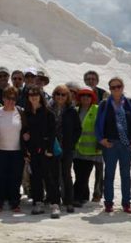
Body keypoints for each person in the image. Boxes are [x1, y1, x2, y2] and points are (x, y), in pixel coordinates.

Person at [95, 77, 131, 214]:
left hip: (126, 145)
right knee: (109, 175)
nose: (116, 89)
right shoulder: (104, 104)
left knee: (125, 174)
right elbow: (98, 124)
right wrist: (101, 139)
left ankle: (126, 203)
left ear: (123, 87)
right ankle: (108, 203)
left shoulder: (130, 103)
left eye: (118, 86)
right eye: (113, 87)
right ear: (109, 89)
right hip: (110, 144)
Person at [22, 86, 61, 218]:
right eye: (31, 94)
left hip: (45, 150)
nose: (33, 96)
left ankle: (55, 204)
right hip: (33, 150)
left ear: (40, 96)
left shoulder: (48, 113)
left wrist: (49, 149)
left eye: (36, 94)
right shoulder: (26, 113)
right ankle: (38, 202)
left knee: (49, 177)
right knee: (35, 177)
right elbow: (25, 131)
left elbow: (52, 133)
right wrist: (25, 139)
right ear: (27, 97)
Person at [0, 86, 24, 213]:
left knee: (15, 177)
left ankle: (14, 202)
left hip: (16, 150)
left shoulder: (21, 112)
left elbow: (26, 129)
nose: (10, 101)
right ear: (3, 98)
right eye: (7, 98)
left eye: (13, 98)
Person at [50, 84, 81, 213]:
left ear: (67, 96)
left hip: (67, 148)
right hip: (52, 147)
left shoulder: (72, 111)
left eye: (63, 94)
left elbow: (77, 129)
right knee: (54, 175)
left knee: (66, 174)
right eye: (58, 94)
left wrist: (71, 143)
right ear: (54, 95)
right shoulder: (49, 109)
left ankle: (68, 201)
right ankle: (55, 202)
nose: (60, 97)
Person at [72, 88, 101, 207]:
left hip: (91, 149)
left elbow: (101, 126)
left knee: (84, 175)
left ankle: (76, 197)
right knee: (78, 173)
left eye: (88, 96)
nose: (85, 98)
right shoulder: (75, 110)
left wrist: (100, 142)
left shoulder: (97, 110)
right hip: (77, 149)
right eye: (83, 95)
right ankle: (84, 196)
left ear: (92, 98)